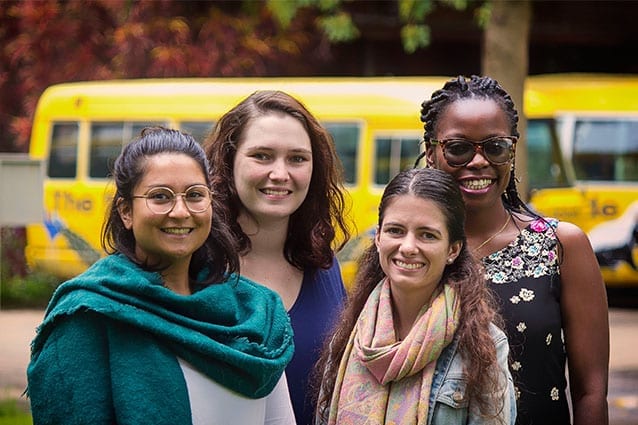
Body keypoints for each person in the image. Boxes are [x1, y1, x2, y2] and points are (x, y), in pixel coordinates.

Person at [26, 127, 296, 425]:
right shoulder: (89, 316)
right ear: (126, 211)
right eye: (160, 197)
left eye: (194, 195)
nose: (180, 211)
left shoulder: (257, 313)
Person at [418, 75, 609, 425]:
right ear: (431, 152)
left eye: (495, 146)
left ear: (512, 151)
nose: (478, 162)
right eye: (459, 148)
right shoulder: (409, 249)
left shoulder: (561, 245)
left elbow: (591, 393)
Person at [314, 167, 516, 425]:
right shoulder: (350, 336)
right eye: (395, 231)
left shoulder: (482, 346)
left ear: (453, 249)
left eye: (427, 235)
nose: (408, 247)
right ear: (378, 239)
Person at [203, 90, 351, 425]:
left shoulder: (323, 267)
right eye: (262, 156)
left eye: (297, 158)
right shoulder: (197, 267)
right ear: (229, 162)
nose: (281, 174)